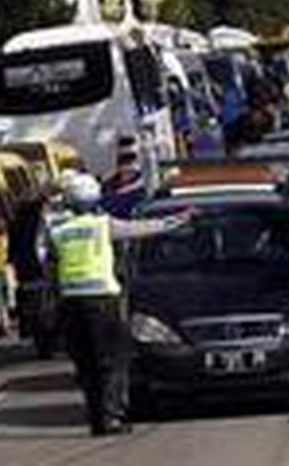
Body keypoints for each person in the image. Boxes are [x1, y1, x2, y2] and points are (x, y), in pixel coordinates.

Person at [50, 172, 192, 436]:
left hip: (71, 304)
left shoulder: (58, 232)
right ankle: (112, 417)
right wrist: (178, 220)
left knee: (87, 365)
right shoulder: (102, 225)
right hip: (102, 300)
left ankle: (97, 419)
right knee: (113, 361)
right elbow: (141, 229)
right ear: (94, 199)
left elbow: (49, 269)